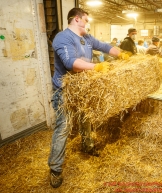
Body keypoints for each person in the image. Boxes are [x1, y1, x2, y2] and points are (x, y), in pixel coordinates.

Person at [48, 7, 120, 189]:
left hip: (82, 89)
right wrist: (97, 68)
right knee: (63, 128)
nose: (88, 23)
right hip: (64, 91)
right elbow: (71, 64)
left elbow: (104, 46)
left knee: (86, 119)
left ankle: (87, 146)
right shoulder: (63, 38)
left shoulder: (86, 38)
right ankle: (55, 168)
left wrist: (123, 54)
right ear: (77, 19)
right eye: (86, 20)